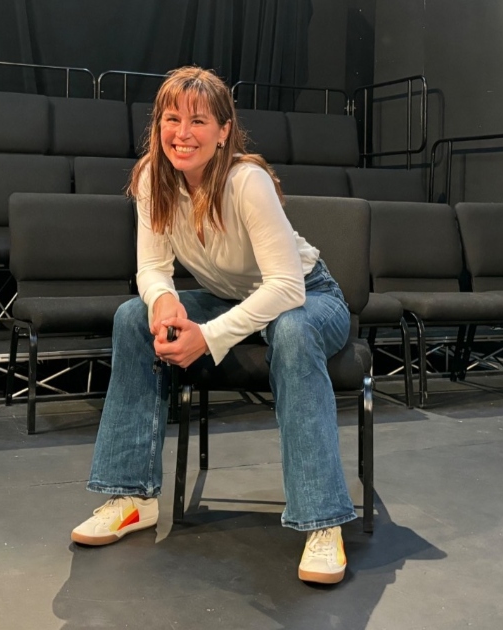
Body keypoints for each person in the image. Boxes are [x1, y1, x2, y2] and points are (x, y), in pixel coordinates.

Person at [70, 66, 356, 585]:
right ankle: (133, 496)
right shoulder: (149, 179)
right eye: (171, 118)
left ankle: (323, 522)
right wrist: (164, 307)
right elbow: (153, 270)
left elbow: (287, 288)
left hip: (312, 297)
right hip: (231, 297)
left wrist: (210, 336)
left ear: (224, 130)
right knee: (133, 317)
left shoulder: (247, 181)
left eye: (198, 120)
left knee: (290, 332)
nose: (183, 133)